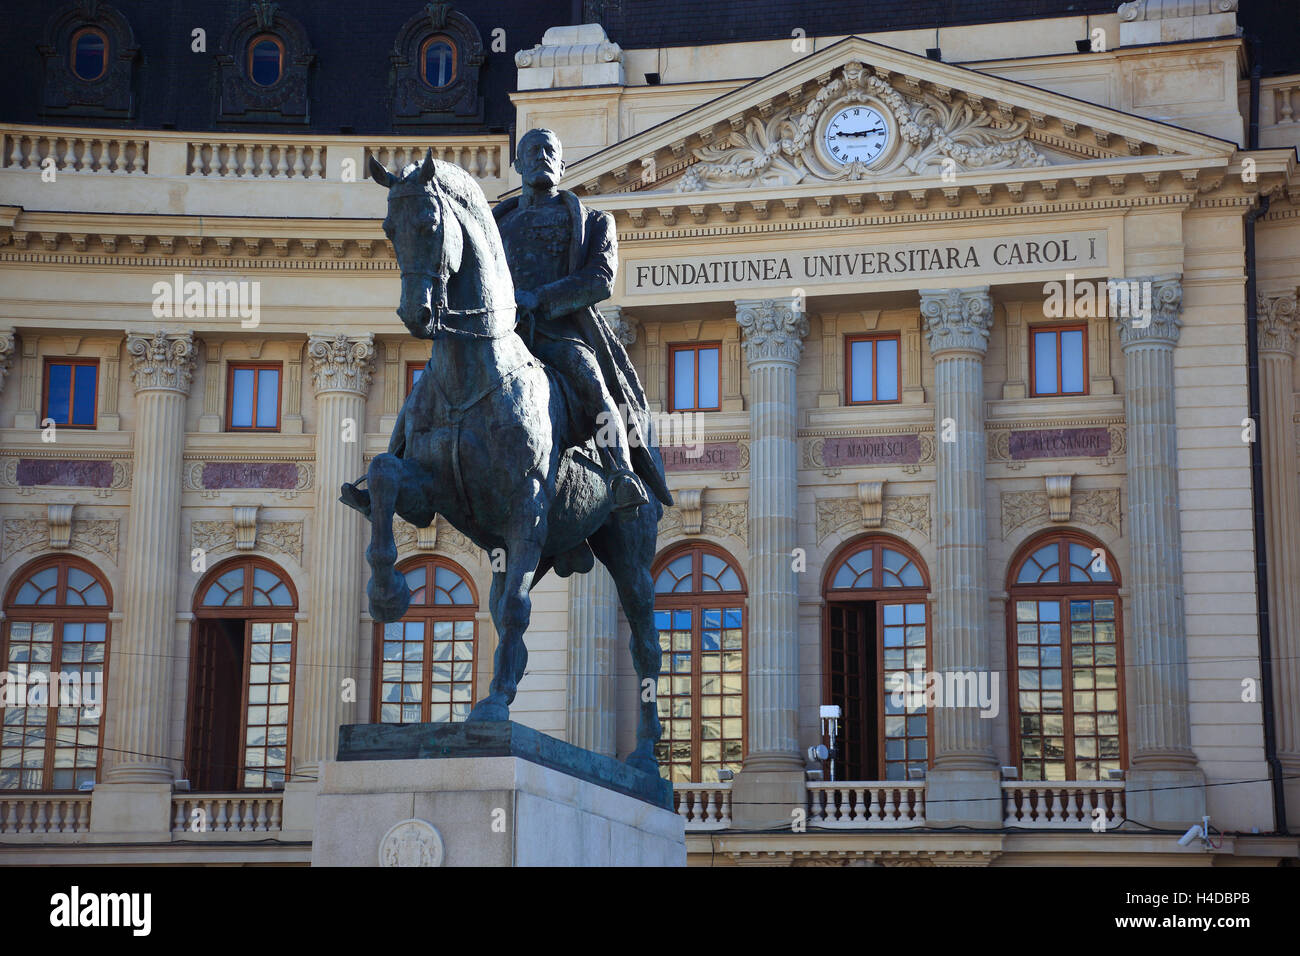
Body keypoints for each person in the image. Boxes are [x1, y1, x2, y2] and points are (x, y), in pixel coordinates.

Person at [493, 128, 670, 513]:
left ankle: (620, 472)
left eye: (549, 150)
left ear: (561, 164)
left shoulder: (593, 221)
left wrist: (539, 298)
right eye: (532, 150)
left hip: (559, 332)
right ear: (518, 164)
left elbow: (599, 280)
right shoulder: (495, 224)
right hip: (502, 335)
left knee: (594, 386)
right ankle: (399, 460)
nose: (541, 156)